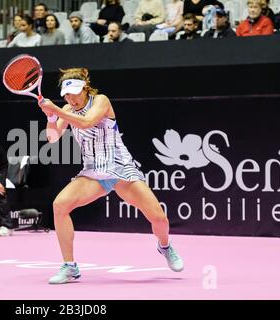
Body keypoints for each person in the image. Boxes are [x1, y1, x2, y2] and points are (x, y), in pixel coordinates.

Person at [37, 68, 184, 284]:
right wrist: (51, 116)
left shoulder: (101, 101)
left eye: (75, 93)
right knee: (60, 205)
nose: (71, 99)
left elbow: (87, 122)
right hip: (93, 173)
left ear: (85, 88)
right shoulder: (67, 108)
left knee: (159, 218)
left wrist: (56, 110)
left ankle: (165, 246)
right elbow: (52, 137)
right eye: (67, 95)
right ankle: (70, 267)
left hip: (121, 169)